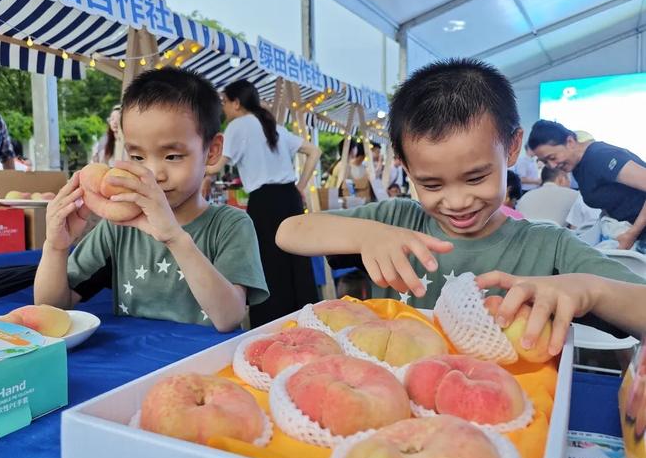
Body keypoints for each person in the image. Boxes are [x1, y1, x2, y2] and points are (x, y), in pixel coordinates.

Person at [277, 58, 646, 357]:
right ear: (406, 168)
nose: (456, 202)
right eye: (431, 184)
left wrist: (591, 289)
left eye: (475, 178)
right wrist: (367, 233)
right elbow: (289, 231)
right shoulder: (394, 220)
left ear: (512, 147)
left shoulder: (549, 247)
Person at [34, 68, 269, 332]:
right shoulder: (118, 226)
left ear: (212, 151)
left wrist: (174, 237)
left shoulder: (230, 225)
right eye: (137, 157)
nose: (153, 174)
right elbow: (52, 307)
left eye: (172, 156)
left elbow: (229, 317)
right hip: (133, 368)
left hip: (204, 368)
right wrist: (55, 247)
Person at [206, 79, 320, 327]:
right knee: (297, 261)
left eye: (225, 102)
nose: (224, 108)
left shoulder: (237, 126)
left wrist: (193, 164)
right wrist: (299, 187)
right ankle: (306, 321)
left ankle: (272, 324)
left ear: (236, 103)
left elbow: (216, 166)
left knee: (268, 262)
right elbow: (314, 152)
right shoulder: (272, 124)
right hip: (289, 197)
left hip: (264, 202)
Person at [528, 120, 646, 253]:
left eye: (553, 157)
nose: (552, 165)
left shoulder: (600, 156)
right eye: (545, 162)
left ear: (570, 142)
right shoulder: (578, 167)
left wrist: (632, 234)